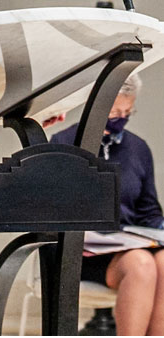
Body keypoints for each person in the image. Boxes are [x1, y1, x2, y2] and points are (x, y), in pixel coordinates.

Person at [51, 73, 164, 335]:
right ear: (95, 106)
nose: (120, 120)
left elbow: (148, 211)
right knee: (141, 264)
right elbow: (54, 210)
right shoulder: (64, 144)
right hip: (81, 252)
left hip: (129, 243)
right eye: (114, 113)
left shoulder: (138, 148)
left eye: (127, 112)